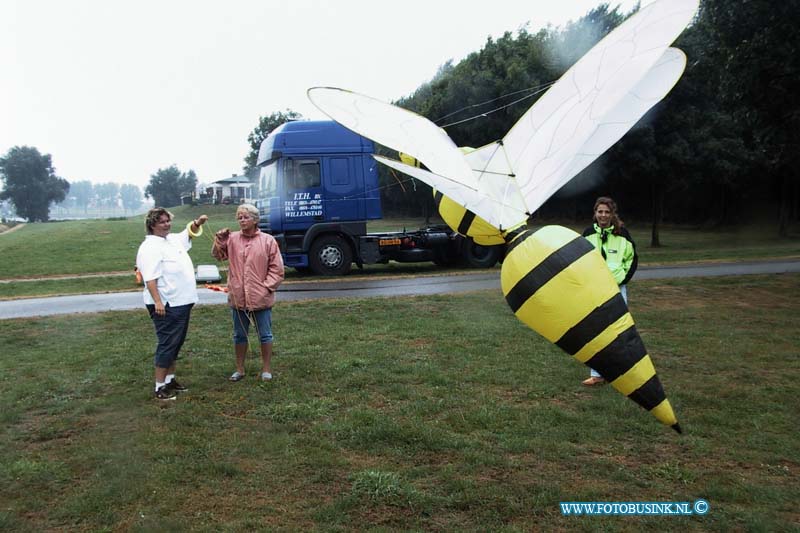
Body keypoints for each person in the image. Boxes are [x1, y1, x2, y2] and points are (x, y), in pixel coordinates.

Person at [136, 208, 208, 400]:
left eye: (168, 221)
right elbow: (150, 279)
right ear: (152, 225)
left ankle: (170, 380)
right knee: (167, 343)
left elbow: (188, 232)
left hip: (182, 301)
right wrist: (158, 301)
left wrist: (198, 222)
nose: (167, 224)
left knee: (176, 343)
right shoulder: (150, 247)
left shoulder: (172, 239)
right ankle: (160, 387)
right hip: (166, 304)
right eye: (162, 222)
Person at [212, 203, 284, 382]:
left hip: (261, 297)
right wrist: (219, 241)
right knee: (239, 334)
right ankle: (240, 369)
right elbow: (218, 255)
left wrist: (267, 288)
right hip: (238, 297)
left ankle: (266, 369)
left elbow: (277, 269)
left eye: (245, 217)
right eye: (239, 217)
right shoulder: (232, 239)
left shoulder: (268, 240)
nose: (242, 220)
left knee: (265, 334)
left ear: (255, 219)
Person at [581, 196, 638, 386]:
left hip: (616, 289)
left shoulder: (623, 234)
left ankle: (623, 372)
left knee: (619, 331)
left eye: (607, 212)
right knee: (596, 331)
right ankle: (597, 374)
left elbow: (632, 259)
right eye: (600, 211)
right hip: (595, 290)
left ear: (612, 214)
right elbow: (579, 260)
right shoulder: (588, 233)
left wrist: (622, 279)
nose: (603, 215)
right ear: (595, 213)